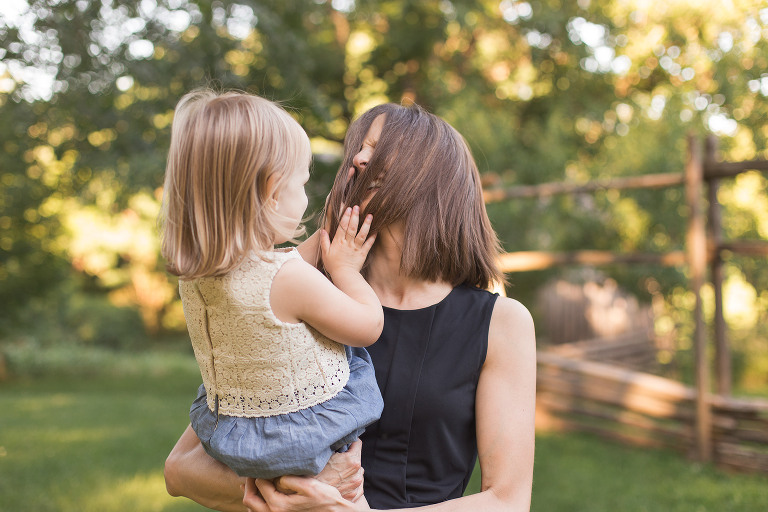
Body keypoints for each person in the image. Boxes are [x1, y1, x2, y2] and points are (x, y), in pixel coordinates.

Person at [164, 102, 537, 512]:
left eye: (376, 147)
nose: (357, 157)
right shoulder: (296, 294)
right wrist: (296, 493)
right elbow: (181, 469)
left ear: (430, 170)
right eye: (358, 147)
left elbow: (507, 500)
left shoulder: (501, 323)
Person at [160, 89, 385, 497]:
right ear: (271, 190)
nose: (306, 196)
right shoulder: (288, 280)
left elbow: (269, 286)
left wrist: (326, 234)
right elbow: (367, 326)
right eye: (301, 182)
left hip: (236, 432)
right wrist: (346, 269)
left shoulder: (201, 274)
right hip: (303, 438)